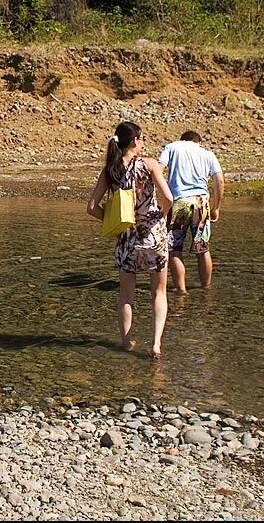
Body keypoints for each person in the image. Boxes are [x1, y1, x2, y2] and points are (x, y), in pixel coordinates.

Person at [87, 122, 173, 359]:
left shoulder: (110, 170)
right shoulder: (150, 165)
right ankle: (156, 344)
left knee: (126, 296)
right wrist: (162, 215)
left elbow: (91, 207)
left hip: (126, 237)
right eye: (142, 138)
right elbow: (168, 197)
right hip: (154, 235)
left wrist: (112, 222)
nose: (143, 142)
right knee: (159, 292)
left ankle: (126, 342)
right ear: (135, 141)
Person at [158, 130, 224, 294]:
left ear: (182, 140)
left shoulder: (172, 147)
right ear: (198, 141)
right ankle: (206, 288)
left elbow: (158, 170)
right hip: (201, 203)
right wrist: (216, 208)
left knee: (174, 249)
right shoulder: (207, 153)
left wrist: (161, 199)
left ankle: (181, 291)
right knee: (203, 248)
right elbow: (219, 181)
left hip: (179, 201)